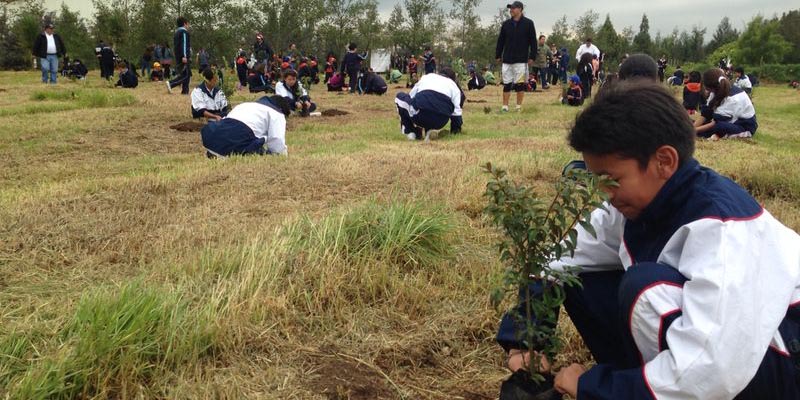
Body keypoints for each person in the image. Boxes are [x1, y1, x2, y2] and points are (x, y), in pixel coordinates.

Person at [498, 81, 800, 400]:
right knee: (581, 278)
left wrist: (594, 387)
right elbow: (558, 261)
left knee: (644, 287)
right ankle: (642, 382)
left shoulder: (722, 228)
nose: (603, 193)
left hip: (780, 363)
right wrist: (526, 338)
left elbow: (713, 370)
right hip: (729, 354)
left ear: (664, 161)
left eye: (612, 180)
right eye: (596, 180)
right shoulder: (632, 204)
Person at [201, 95, 290, 157]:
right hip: (237, 140)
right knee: (264, 151)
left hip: (211, 138)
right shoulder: (276, 113)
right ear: (281, 109)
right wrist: (283, 156)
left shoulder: (245, 104)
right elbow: (276, 140)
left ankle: (215, 152)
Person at [394, 67, 464, 141]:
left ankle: (411, 132)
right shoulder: (454, 87)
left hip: (420, 116)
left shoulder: (427, 77)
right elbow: (456, 114)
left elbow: (412, 96)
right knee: (433, 106)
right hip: (441, 121)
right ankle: (429, 131)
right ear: (453, 79)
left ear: (439, 74)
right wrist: (455, 131)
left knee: (400, 97)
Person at [495, 1, 537, 112]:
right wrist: (498, 54)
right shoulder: (506, 24)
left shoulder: (528, 23)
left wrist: (532, 56)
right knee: (507, 83)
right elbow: (501, 41)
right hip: (507, 59)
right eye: (510, 8)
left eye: (513, 8)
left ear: (520, 9)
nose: (511, 10)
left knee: (520, 84)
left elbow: (533, 41)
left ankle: (518, 107)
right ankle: (505, 106)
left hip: (521, 59)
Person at [695, 68, 757, 140]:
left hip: (743, 125)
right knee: (690, 123)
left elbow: (715, 123)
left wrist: (693, 131)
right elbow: (705, 115)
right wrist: (692, 127)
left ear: (710, 87)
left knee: (718, 127)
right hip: (728, 122)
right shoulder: (714, 92)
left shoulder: (732, 99)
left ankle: (739, 135)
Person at [166, 17, 192, 95]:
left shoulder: (176, 32)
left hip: (178, 55)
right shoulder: (183, 32)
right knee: (185, 74)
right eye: (188, 24)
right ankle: (171, 83)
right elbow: (184, 44)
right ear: (185, 23)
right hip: (183, 56)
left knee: (187, 73)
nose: (188, 25)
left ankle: (185, 91)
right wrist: (184, 56)